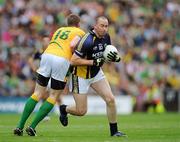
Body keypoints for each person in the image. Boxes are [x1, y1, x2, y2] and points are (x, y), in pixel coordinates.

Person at [14, 14, 85, 136]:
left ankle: (19, 126)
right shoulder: (80, 32)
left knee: (37, 93)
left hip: (46, 56)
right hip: (62, 59)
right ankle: (32, 127)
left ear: (67, 23)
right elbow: (73, 46)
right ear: (78, 24)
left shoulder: (59, 30)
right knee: (53, 96)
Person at [59, 16, 126, 137]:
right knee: (81, 111)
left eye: (106, 26)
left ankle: (114, 131)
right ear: (95, 26)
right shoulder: (87, 41)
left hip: (95, 73)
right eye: (102, 26)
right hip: (80, 76)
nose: (105, 29)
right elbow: (73, 60)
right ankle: (64, 109)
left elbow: (106, 54)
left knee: (110, 99)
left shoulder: (106, 37)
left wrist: (114, 57)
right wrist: (93, 62)